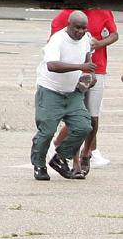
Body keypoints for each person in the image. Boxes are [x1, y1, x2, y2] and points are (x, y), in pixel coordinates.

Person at [49, 9, 116, 172]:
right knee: (77, 117)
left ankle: (87, 153)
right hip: (73, 71)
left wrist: (98, 44)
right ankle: (74, 158)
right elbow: (53, 43)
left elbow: (114, 34)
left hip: (97, 69)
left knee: (92, 117)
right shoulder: (65, 15)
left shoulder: (103, 11)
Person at [30, 11, 94, 181]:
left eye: (84, 28)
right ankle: (39, 164)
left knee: (84, 126)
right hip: (50, 90)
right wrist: (81, 65)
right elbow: (52, 65)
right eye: (77, 28)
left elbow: (88, 64)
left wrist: (89, 77)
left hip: (72, 92)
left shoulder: (86, 39)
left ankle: (59, 158)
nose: (80, 31)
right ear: (69, 25)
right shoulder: (57, 39)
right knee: (48, 131)